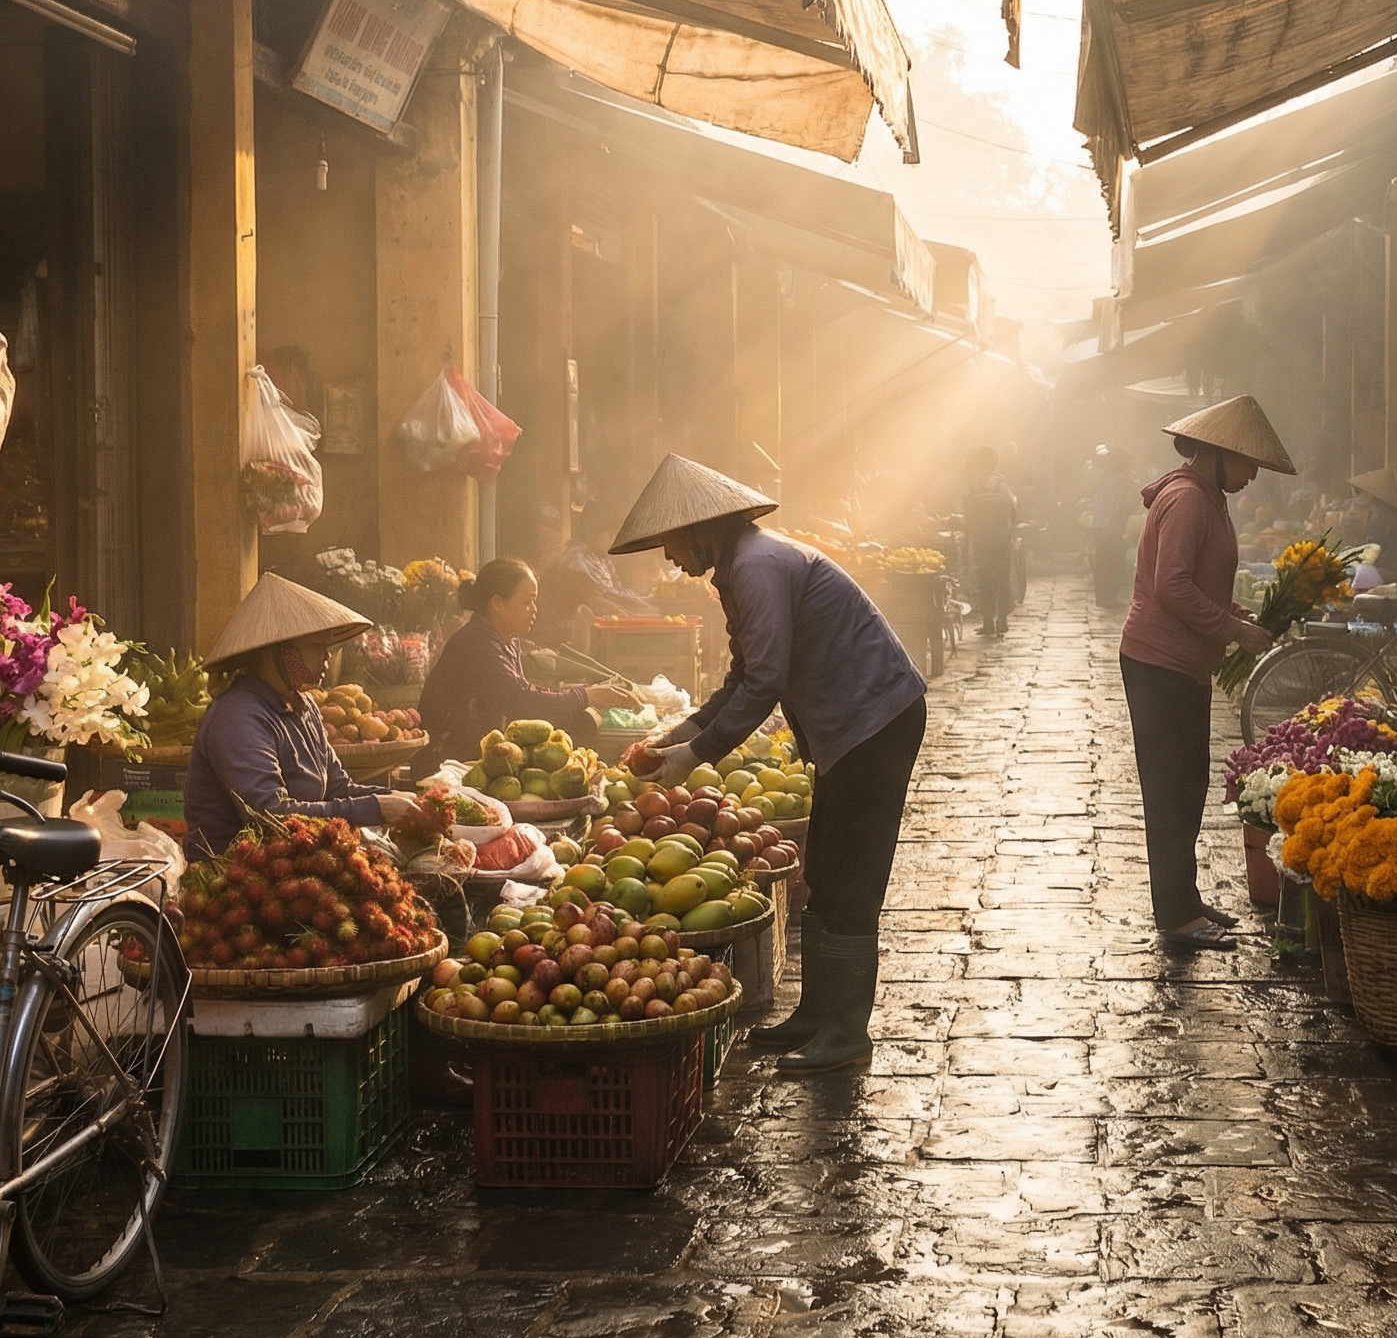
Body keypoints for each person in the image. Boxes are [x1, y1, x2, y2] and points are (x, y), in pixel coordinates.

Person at [612, 454, 928, 1074]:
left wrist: (693, 756)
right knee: (827, 869)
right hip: (848, 727)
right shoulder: (738, 568)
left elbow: (763, 683)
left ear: (702, 528)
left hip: (875, 720)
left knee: (851, 877)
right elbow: (742, 676)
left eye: (671, 543)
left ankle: (846, 1034)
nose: (669, 558)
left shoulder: (756, 566)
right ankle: (816, 1013)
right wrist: (680, 734)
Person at [1120, 394, 1294, 950]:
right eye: (1248, 465)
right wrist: (1232, 629)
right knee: (1171, 789)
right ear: (1219, 455)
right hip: (1159, 662)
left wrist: (1237, 616)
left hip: (1182, 664)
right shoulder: (1189, 500)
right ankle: (1174, 917)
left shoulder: (1207, 497)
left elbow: (1196, 582)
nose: (1252, 477)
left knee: (1188, 783)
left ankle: (1185, 901)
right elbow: (1171, 586)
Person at [182, 574, 422, 857]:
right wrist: (374, 808)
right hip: (232, 871)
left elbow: (336, 787)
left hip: (297, 859)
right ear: (280, 653)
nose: (327, 658)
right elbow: (270, 816)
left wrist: (390, 799)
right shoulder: (238, 716)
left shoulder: (303, 706)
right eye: (316, 647)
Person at [418, 556, 635, 770]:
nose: (534, 609)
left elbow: (522, 695)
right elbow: (520, 700)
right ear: (497, 604)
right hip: (446, 764)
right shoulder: (477, 642)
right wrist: (588, 695)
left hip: (478, 758)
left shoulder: (506, 641)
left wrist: (584, 696)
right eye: (527, 602)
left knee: (579, 721)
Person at [962, 444, 1019, 637]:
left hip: (980, 540)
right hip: (1001, 539)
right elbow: (1013, 508)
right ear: (995, 464)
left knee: (985, 579)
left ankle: (988, 622)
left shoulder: (970, 486)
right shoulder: (1001, 485)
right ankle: (1002, 619)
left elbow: (965, 514)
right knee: (1002, 579)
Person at [1346, 469, 1397, 582]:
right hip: (1394, 570)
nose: (1359, 498)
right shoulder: (1383, 513)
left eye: (1362, 493)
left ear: (1371, 496)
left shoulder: (1382, 516)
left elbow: (1375, 551)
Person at [1089, 444, 1136, 609]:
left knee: (1102, 561)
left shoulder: (1103, 477)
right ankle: (1109, 597)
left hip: (1100, 524)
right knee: (1112, 561)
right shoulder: (1123, 480)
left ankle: (1102, 597)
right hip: (1113, 526)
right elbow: (1127, 504)